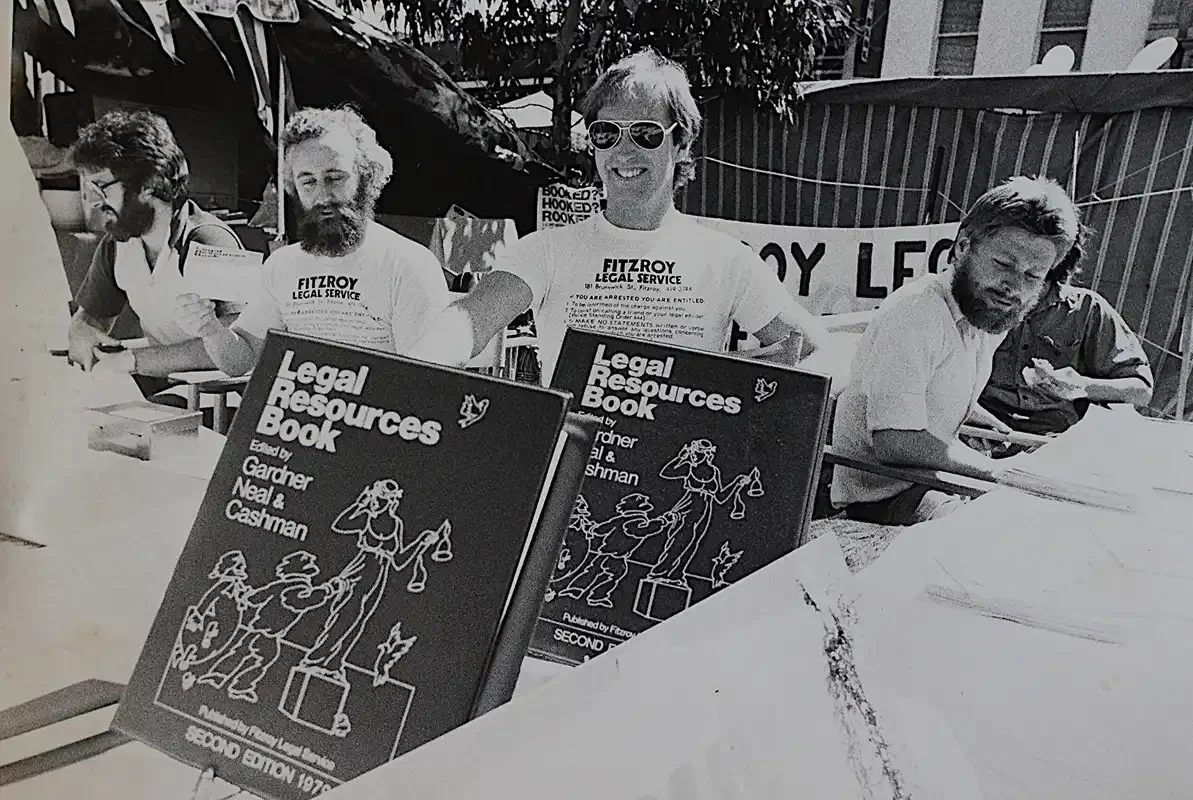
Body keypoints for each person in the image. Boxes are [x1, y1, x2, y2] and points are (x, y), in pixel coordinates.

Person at [403, 48, 827, 381]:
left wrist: (715, 386)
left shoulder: (728, 260)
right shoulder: (547, 250)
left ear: (680, 144)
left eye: (645, 133)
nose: (623, 151)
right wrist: (414, 366)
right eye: (606, 133)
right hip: (575, 478)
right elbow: (470, 320)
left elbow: (807, 348)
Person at [830, 175, 1082, 526]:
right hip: (882, 497)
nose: (1014, 286)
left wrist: (988, 422)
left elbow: (935, 386)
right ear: (964, 246)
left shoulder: (984, 314)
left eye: (1033, 275)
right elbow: (895, 442)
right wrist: (998, 471)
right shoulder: (917, 314)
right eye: (1004, 265)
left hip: (924, 481)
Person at [175, 107, 451, 376]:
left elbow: (423, 383)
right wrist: (209, 328)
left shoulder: (407, 264)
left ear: (366, 176)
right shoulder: (283, 265)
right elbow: (241, 361)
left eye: (335, 178)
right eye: (308, 182)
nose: (323, 197)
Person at [65, 109, 245, 397]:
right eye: (87, 191)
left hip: (221, 396)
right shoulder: (117, 243)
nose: (94, 204)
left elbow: (241, 343)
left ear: (148, 183)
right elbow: (91, 316)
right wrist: (83, 332)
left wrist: (134, 360)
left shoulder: (209, 240)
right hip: (165, 387)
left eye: (100, 188)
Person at [978, 230, 1153, 439]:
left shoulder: (1088, 309)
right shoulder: (979, 300)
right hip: (979, 427)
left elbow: (1141, 390)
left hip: (1055, 439)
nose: (1012, 287)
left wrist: (1082, 385)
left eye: (1032, 275)